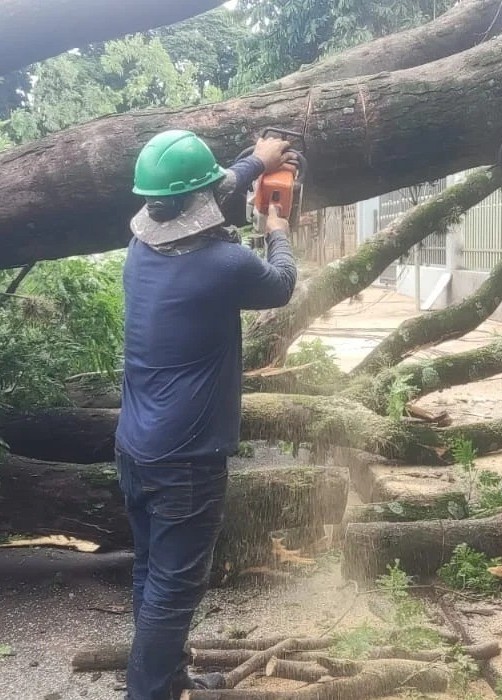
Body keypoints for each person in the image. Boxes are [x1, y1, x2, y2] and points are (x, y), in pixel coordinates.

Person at [115, 130, 298, 700]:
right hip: (186, 461)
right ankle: (146, 694)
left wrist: (254, 163)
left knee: (152, 572)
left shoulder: (141, 251)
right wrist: (279, 231)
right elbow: (283, 285)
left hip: (136, 446)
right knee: (174, 587)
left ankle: (167, 682)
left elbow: (203, 195)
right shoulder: (225, 264)